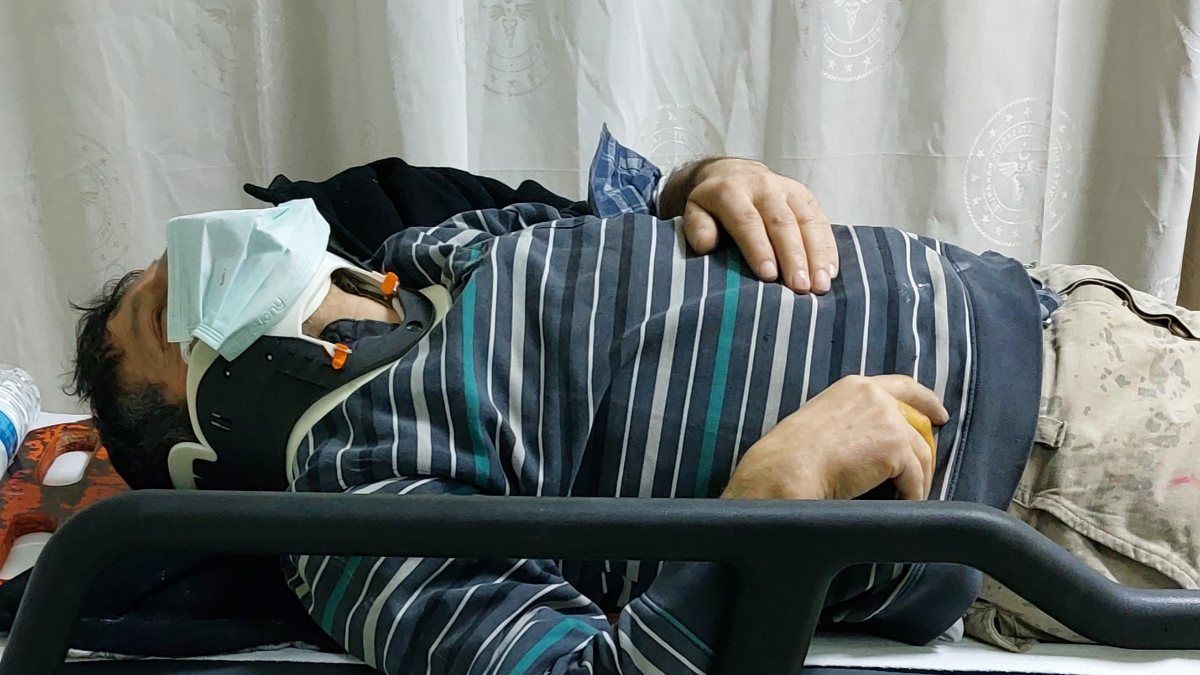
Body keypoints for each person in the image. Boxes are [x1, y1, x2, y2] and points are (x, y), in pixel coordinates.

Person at [67, 129, 1200, 673]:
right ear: (207, 443)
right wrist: (774, 501)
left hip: (1069, 307)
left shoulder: (428, 250)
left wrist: (709, 181)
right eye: (172, 303)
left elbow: (620, 224)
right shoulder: (357, 515)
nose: (220, 245)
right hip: (1059, 478)